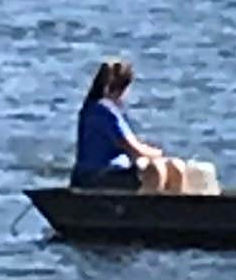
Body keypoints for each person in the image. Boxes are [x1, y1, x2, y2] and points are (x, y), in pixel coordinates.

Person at [70, 59, 194, 193]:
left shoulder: (104, 110)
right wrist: (158, 153)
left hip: (110, 173)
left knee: (175, 167)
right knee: (155, 170)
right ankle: (146, 210)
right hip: (96, 177)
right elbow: (133, 149)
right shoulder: (103, 111)